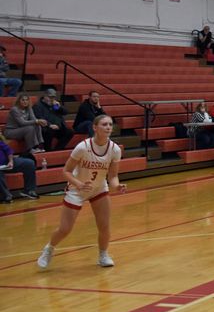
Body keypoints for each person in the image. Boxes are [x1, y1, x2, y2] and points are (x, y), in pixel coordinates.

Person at [37, 115, 125, 269]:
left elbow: (113, 176)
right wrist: (79, 184)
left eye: (110, 124)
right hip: (77, 190)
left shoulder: (115, 149)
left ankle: (103, 255)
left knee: (104, 226)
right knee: (65, 229)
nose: (108, 127)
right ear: (94, 127)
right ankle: (49, 248)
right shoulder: (83, 147)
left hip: (99, 188)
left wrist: (117, 186)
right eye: (104, 124)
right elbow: (66, 171)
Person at [0, 135, 38, 203]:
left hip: (7, 163)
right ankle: (6, 196)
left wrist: (11, 161)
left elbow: (8, 150)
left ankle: (29, 190)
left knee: (29, 163)